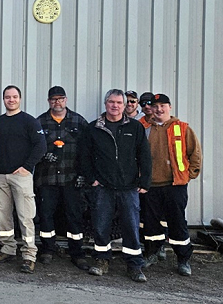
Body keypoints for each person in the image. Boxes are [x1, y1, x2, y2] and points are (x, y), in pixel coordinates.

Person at [79, 89, 152, 282]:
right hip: (103, 186)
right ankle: (101, 260)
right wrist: (92, 179)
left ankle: (134, 265)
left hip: (129, 187)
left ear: (125, 105)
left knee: (131, 226)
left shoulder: (135, 128)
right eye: (112, 102)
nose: (115, 106)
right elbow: (84, 157)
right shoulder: (94, 128)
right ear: (106, 104)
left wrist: (145, 181)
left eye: (119, 103)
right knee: (101, 225)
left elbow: (144, 155)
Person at [0, 85, 46, 273]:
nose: (11, 100)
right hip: (0, 176)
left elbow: (41, 146)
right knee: (3, 217)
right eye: (7, 97)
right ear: (3, 99)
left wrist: (27, 167)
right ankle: (7, 248)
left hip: (21, 176)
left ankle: (29, 255)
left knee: (25, 217)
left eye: (14, 97)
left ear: (20, 98)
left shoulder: (29, 121)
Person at [141, 93, 202, 277]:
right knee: (150, 224)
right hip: (150, 186)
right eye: (155, 106)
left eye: (163, 106)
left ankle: (183, 259)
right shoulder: (143, 128)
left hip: (175, 185)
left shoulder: (182, 128)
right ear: (150, 109)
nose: (159, 109)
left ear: (170, 107)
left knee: (177, 222)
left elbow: (195, 153)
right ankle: (152, 253)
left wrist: (189, 175)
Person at [34, 86, 89, 270]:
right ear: (48, 101)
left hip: (71, 178)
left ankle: (77, 252)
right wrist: (43, 156)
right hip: (47, 178)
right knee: (46, 215)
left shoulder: (79, 121)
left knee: (74, 215)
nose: (57, 102)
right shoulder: (39, 122)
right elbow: (32, 148)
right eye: (53, 99)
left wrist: (83, 174)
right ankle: (47, 249)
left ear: (66, 100)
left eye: (60, 99)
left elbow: (87, 151)